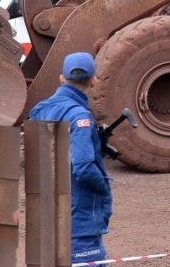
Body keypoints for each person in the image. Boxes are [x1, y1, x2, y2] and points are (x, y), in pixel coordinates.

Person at [29, 52, 112, 265]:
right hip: (79, 222)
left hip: (46, 217)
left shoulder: (39, 111)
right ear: (94, 81)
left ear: (62, 79)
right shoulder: (79, 117)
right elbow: (83, 166)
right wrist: (103, 186)